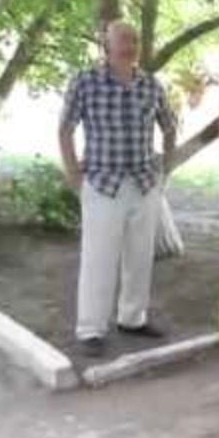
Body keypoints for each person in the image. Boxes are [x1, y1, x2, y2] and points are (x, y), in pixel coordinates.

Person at [58, 21, 178, 357]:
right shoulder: (86, 81)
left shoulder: (150, 84)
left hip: (143, 183)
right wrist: (72, 173)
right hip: (102, 183)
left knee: (140, 257)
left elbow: (170, 127)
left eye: (135, 39)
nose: (130, 45)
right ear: (106, 45)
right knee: (99, 258)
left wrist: (163, 171)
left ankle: (132, 318)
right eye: (123, 39)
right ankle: (91, 329)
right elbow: (65, 129)